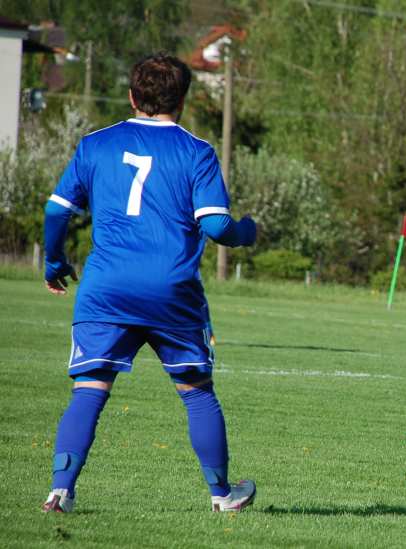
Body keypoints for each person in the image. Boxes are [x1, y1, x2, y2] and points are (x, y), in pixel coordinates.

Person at [40, 54, 257, 513]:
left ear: (132, 97)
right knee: (197, 392)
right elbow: (217, 226)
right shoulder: (195, 151)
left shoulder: (96, 144)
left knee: (90, 388)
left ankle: (60, 490)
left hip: (106, 289)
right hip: (170, 291)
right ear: (183, 100)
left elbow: (57, 210)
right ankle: (222, 496)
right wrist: (246, 231)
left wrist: (54, 261)